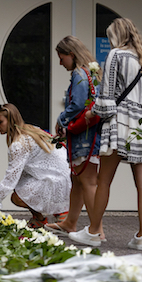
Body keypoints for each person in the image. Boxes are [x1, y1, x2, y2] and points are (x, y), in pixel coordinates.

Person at [69, 18, 142, 249]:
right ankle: (141, 237)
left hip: (121, 123)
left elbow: (107, 98)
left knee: (104, 180)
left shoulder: (116, 55)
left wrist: (91, 113)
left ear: (116, 36)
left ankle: (94, 232)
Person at [45, 36, 105, 240]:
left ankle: (97, 230)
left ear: (71, 54)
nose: (61, 63)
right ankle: (70, 222)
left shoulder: (79, 73)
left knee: (88, 182)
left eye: (61, 58)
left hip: (84, 138)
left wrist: (62, 119)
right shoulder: (92, 73)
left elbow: (78, 104)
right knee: (78, 180)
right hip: (90, 134)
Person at [0, 103, 71, 228]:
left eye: (0, 122)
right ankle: (48, 215)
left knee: (17, 197)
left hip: (57, 180)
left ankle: (58, 213)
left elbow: (10, 177)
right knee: (19, 185)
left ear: (11, 121)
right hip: (63, 176)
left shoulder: (19, 144)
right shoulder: (29, 129)